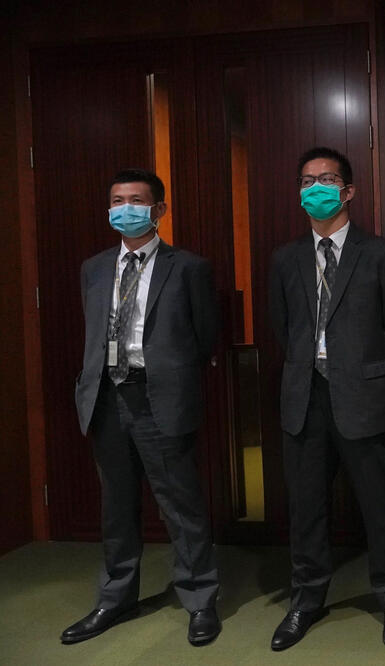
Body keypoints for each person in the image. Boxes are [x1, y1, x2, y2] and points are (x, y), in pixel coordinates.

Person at [62, 168, 221, 647]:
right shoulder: (94, 267)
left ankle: (199, 598)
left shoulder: (188, 267)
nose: (124, 208)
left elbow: (205, 336)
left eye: (135, 199)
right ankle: (115, 598)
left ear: (159, 210)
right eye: (116, 199)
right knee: (117, 506)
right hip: (106, 398)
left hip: (159, 397)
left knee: (180, 505)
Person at [268, 146, 385, 651]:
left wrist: (360, 369)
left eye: (326, 179)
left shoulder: (383, 254)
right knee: (306, 508)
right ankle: (305, 600)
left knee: (380, 506)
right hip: (303, 399)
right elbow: (282, 328)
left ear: (349, 190)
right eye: (306, 181)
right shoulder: (285, 259)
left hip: (365, 398)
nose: (315, 189)